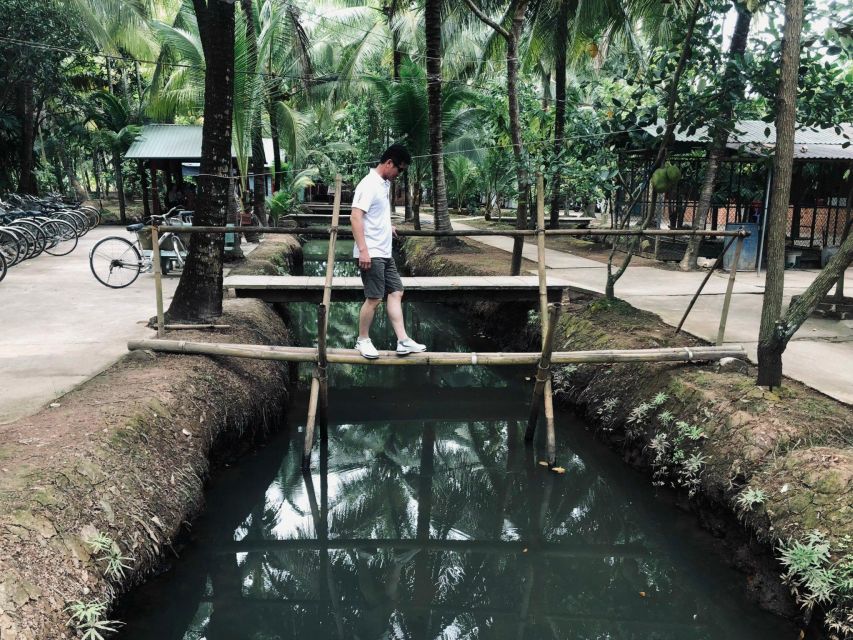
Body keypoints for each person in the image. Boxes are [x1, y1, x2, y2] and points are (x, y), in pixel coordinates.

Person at [351, 144, 426, 359]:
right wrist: (363, 251)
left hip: (384, 251)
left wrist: (387, 226)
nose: (399, 174)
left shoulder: (383, 184)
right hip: (371, 252)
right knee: (374, 298)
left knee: (396, 291)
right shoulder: (368, 184)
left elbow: (374, 214)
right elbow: (355, 217)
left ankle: (403, 340)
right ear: (389, 163)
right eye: (399, 170)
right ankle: (362, 340)